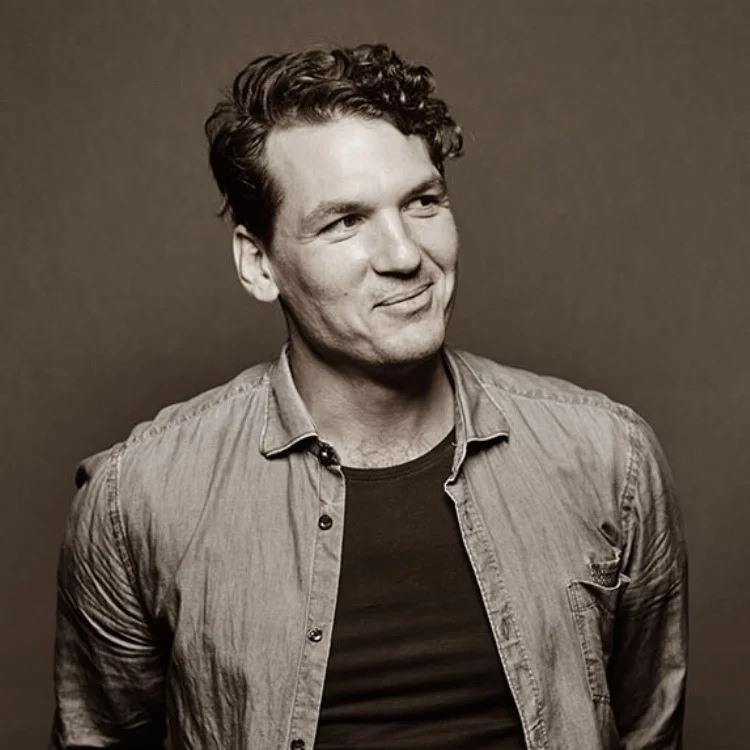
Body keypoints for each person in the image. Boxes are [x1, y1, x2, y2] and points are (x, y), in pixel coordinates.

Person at [50, 43, 688, 750]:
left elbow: (649, 730)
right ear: (258, 263)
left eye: (423, 203)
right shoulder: (137, 499)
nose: (405, 255)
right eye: (344, 221)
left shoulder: (609, 458)